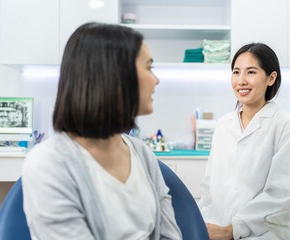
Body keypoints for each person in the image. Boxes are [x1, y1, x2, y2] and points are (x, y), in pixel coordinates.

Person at [22, 22, 182, 240]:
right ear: (115, 75)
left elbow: (169, 235)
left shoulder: (142, 153)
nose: (156, 80)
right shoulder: (48, 164)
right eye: (148, 67)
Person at [198, 43, 290, 239]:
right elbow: (210, 186)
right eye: (236, 72)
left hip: (264, 233)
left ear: (271, 78)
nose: (241, 81)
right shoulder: (224, 124)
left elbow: (282, 196)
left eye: (250, 72)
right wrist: (200, 222)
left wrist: (232, 230)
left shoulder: (287, 126)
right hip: (218, 227)